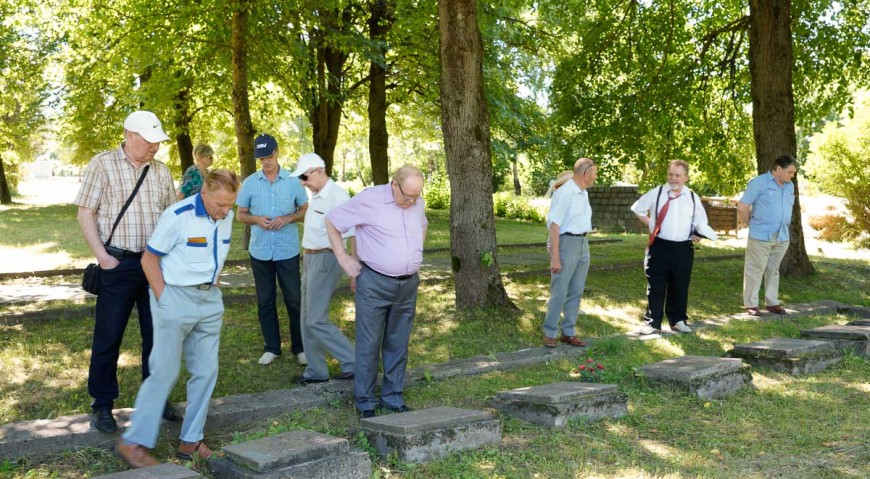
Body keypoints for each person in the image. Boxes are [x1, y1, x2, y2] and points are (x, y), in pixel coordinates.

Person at [115, 169, 239, 468]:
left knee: (207, 371)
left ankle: (191, 441)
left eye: (230, 205)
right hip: (174, 297)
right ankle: (133, 443)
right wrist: (165, 299)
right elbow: (149, 259)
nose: (225, 211)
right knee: (165, 371)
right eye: (220, 204)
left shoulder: (227, 215)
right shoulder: (177, 215)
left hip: (209, 300)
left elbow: (214, 255)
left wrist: (210, 285)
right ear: (204, 193)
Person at [74, 110, 178, 433]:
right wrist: (103, 257)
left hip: (153, 265)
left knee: (157, 337)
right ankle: (103, 404)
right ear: (130, 135)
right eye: (150, 141)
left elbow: (172, 216)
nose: (156, 148)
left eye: (159, 142)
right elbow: (85, 213)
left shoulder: (160, 171)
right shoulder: (102, 164)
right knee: (108, 337)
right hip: (116, 265)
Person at [325, 165, 427, 418]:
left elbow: (422, 225)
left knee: (398, 343)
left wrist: (413, 256)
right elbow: (332, 221)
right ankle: (366, 402)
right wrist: (345, 259)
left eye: (417, 196)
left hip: (407, 284)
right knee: (369, 344)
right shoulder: (370, 199)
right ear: (395, 184)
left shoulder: (417, 202)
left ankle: (393, 398)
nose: (412, 201)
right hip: (374, 282)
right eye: (408, 196)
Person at [236, 133, 308, 366]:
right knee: (265, 300)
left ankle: (299, 347)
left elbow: (305, 209)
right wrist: (257, 220)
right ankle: (272, 347)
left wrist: (287, 219)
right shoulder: (249, 183)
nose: (266, 161)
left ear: (277, 152)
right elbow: (240, 214)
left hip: (287, 250)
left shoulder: (293, 181)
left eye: (269, 155)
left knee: (294, 299)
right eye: (261, 158)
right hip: (260, 251)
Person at [290, 153, 356, 385]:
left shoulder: (337, 196)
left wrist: (353, 268)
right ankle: (316, 372)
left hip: (327, 259)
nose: (302, 182)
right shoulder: (317, 196)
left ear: (319, 170)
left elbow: (351, 234)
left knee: (316, 319)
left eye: (305, 176)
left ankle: (354, 362)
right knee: (306, 318)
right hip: (310, 259)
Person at [632, 160, 716, 335]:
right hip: (660, 246)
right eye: (670, 174)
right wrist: (651, 225)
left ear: (686, 177)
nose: (673, 178)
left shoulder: (692, 197)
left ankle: (678, 320)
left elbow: (700, 222)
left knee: (680, 285)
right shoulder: (657, 193)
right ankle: (652, 322)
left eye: (677, 175)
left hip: (683, 248)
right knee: (656, 285)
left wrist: (698, 234)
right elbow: (638, 209)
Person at [543, 158, 597, 349]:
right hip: (566, 242)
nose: (596, 177)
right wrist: (555, 257)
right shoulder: (565, 193)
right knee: (560, 289)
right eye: (595, 173)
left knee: (576, 289)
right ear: (586, 174)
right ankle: (550, 332)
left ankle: (568, 332)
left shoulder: (583, 193)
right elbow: (555, 227)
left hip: (583, 243)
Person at [738, 154, 798, 316]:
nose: (792, 176)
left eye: (793, 173)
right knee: (755, 269)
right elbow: (743, 206)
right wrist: (752, 224)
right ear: (778, 168)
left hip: (782, 236)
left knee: (774, 270)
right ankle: (751, 304)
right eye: (790, 172)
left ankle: (772, 303)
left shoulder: (789, 186)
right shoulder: (759, 183)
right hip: (760, 236)